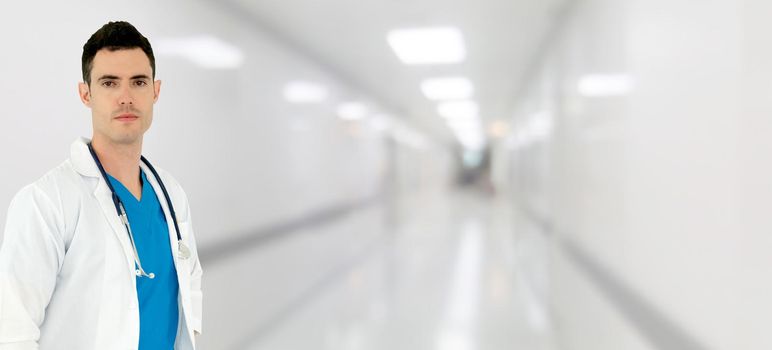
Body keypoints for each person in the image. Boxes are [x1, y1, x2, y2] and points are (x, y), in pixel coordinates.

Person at [0, 21, 203, 349]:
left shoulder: (172, 195)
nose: (126, 98)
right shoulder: (46, 202)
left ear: (156, 91)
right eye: (109, 83)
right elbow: (12, 331)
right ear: (86, 94)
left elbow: (189, 282)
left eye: (138, 82)